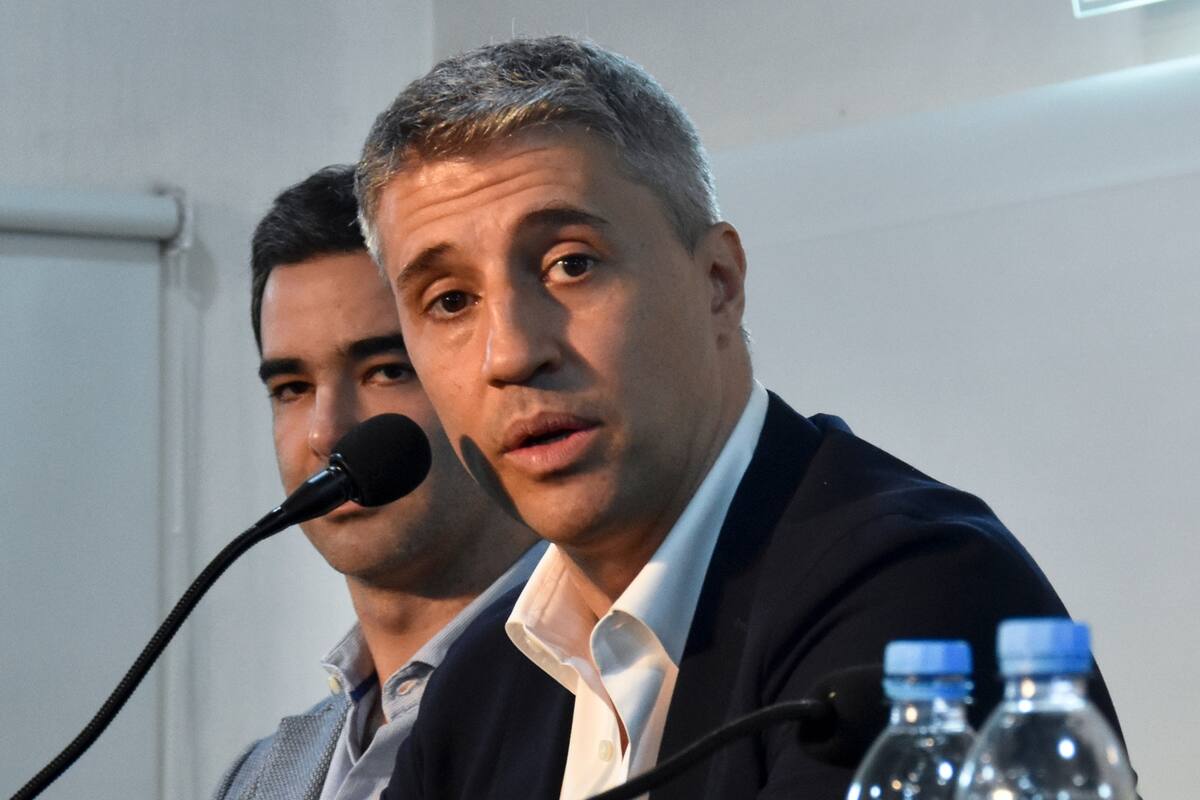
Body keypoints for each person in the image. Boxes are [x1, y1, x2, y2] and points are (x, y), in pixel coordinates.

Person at [356, 37, 1130, 799]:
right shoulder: (478, 690)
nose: (511, 353)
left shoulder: (922, 597)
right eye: (450, 301)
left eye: (571, 263)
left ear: (719, 283)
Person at [211, 165, 542, 800]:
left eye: (387, 371)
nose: (326, 432)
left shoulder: (613, 706)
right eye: (292, 388)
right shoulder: (256, 779)